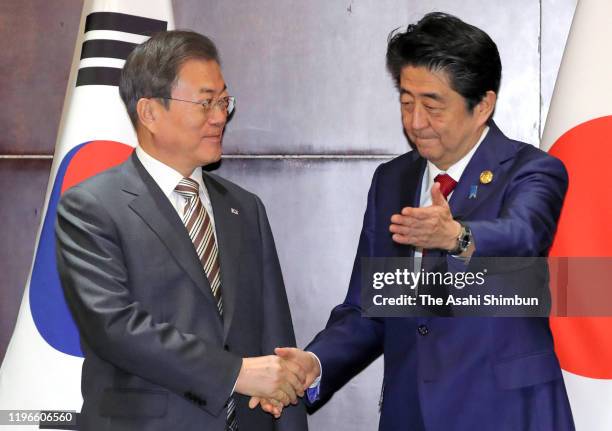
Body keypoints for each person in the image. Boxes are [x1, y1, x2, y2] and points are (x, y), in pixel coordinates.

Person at [267, 12, 575, 430]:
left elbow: (524, 237)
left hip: (506, 413)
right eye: (406, 102)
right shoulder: (393, 180)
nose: (415, 122)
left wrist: (458, 238)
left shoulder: (531, 170)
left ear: (482, 104)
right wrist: (315, 362)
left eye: (432, 105)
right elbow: (370, 305)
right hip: (410, 413)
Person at [55, 30, 308, 431]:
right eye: (206, 102)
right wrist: (235, 372)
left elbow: (276, 336)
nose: (220, 116)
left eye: (224, 101)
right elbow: (114, 327)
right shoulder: (92, 207)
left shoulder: (245, 208)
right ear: (150, 112)